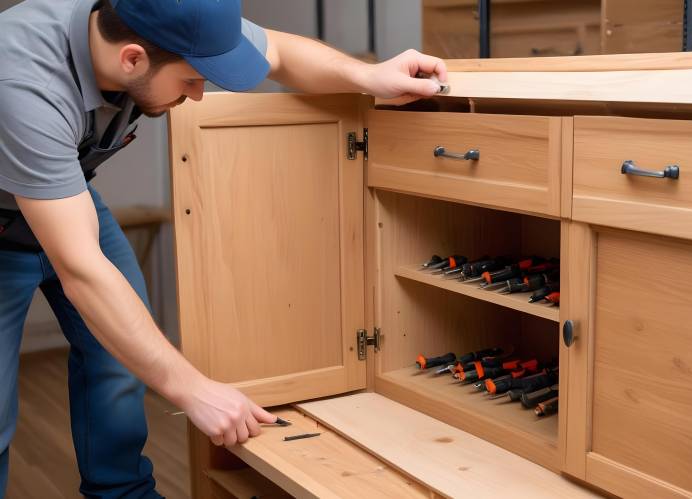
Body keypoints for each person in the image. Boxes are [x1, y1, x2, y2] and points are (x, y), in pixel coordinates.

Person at [0, 0, 448, 497]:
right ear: (131, 60)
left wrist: (368, 76)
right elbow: (81, 268)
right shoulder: (24, 82)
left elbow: (277, 50)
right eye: (191, 80)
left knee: (119, 365)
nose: (198, 96)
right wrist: (193, 389)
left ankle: (121, 492)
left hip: (66, 195)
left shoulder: (174, 16)